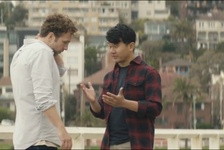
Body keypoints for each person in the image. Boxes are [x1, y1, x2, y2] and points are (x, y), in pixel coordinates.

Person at [80, 23, 162, 149]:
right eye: (110, 46)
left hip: (134, 143)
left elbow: (155, 108)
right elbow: (102, 112)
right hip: (109, 143)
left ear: (131, 46)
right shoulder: (109, 77)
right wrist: (92, 102)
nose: (112, 51)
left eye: (116, 46)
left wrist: (124, 103)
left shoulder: (148, 73)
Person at [10, 13, 77, 150]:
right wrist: (61, 130)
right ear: (51, 36)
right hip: (40, 139)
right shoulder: (42, 52)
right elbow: (44, 99)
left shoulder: (22, 52)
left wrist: (51, 48)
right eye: (65, 42)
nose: (66, 48)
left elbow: (59, 71)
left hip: (25, 139)